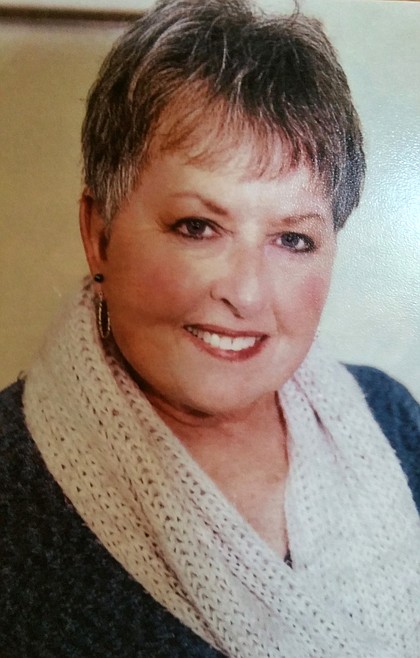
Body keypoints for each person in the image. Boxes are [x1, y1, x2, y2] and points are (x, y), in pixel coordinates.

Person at [1, 0, 419, 656]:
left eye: (293, 239)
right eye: (198, 227)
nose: (245, 293)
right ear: (99, 234)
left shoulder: (392, 417)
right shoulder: (11, 487)